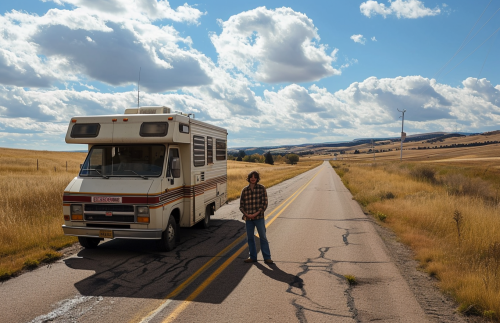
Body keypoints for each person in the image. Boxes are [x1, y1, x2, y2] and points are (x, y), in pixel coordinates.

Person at [240, 170, 273, 264]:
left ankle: (267, 257)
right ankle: (252, 257)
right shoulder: (245, 190)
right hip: (248, 218)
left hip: (259, 218)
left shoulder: (262, 188)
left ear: (257, 178)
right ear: (249, 178)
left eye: (255, 177)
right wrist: (246, 214)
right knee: (250, 238)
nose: (253, 178)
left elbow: (264, 204)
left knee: (263, 237)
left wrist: (256, 214)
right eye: (251, 177)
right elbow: (241, 205)